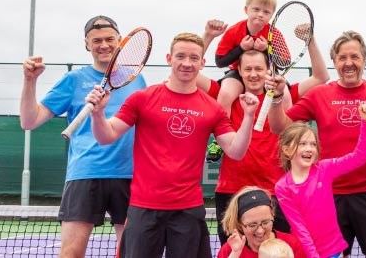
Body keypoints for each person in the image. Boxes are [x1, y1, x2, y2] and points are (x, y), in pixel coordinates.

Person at [86, 32, 259, 257]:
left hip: (188, 210)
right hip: (143, 208)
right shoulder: (142, 99)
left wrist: (248, 116)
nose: (187, 63)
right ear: (169, 58)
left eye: (194, 58)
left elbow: (236, 151)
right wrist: (98, 114)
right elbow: (106, 136)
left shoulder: (212, 108)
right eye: (181, 56)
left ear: (202, 63)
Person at [266, 30, 366, 258]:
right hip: (327, 196)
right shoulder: (319, 94)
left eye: (355, 57)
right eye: (342, 58)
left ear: (364, 60)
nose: (349, 63)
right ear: (335, 62)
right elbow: (279, 127)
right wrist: (277, 97)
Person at [19, 15, 146, 258]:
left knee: (132, 253)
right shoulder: (73, 80)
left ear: (119, 41)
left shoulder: (136, 79)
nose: (104, 45)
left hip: (130, 175)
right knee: (71, 254)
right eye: (96, 40)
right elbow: (29, 121)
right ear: (87, 45)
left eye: (110, 39)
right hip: (85, 174)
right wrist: (30, 81)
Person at [198, 19, 330, 242]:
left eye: (259, 68)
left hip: (277, 193)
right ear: (238, 70)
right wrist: (208, 36)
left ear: (268, 69)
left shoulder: (286, 93)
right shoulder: (225, 92)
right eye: (247, 69)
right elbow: (189, 69)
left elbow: (321, 77)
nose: (253, 74)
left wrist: (310, 40)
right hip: (232, 192)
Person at [275, 103, 366, 258]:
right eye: (302, 144)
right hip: (304, 252)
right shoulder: (282, 187)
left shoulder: (325, 169)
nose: (309, 149)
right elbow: (299, 227)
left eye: (313, 144)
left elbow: (359, 157)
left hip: (334, 250)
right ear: (286, 150)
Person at [213, 0, 285, 116]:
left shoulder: (274, 33)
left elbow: (285, 62)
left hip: (268, 73)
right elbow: (220, 61)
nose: (261, 14)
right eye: (256, 9)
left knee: (286, 97)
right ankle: (224, 133)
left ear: (271, 15)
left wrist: (266, 50)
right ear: (246, 10)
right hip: (238, 72)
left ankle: (287, 135)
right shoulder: (234, 31)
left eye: (266, 11)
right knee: (225, 94)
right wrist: (241, 48)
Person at [218, 186, 306, 258]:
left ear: (273, 216)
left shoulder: (292, 244)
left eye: (266, 222)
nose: (260, 231)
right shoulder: (230, 251)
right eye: (252, 225)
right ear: (240, 224)